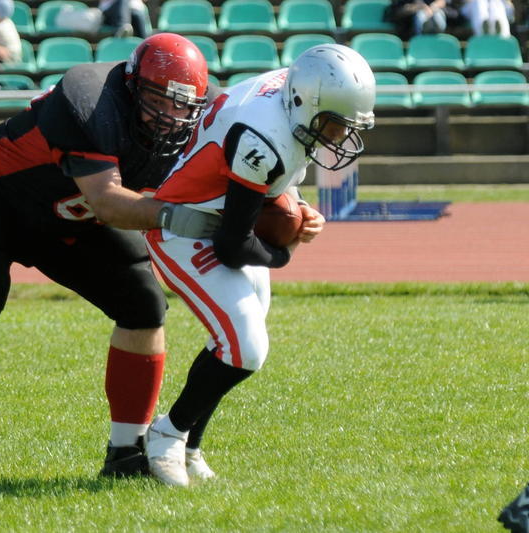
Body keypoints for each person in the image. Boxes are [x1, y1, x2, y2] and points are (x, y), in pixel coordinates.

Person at [0, 33, 221, 482]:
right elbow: (109, 202)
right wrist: (190, 219)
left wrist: (285, 209)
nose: (168, 116)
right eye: (158, 100)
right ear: (132, 88)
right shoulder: (90, 99)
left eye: (181, 106)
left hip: (73, 214)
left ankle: (126, 451)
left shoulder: (211, 116)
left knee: (143, 304)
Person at [141, 44, 376, 487]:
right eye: (335, 123)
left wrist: (297, 206)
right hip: (186, 228)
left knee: (234, 342)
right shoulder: (262, 137)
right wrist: (285, 252)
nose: (341, 135)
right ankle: (167, 434)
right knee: (244, 347)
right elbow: (233, 246)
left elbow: (273, 182)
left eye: (349, 125)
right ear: (306, 101)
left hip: (222, 214)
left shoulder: (296, 91)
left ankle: (189, 445)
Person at [385, 0, 457, 38]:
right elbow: (397, 12)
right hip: (410, 28)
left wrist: (433, 7)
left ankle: (438, 37)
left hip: (436, 14)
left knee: (438, 14)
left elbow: (445, 3)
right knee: (421, 15)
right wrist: (420, 7)